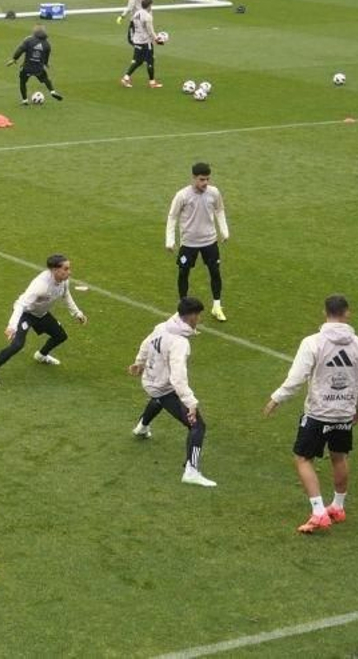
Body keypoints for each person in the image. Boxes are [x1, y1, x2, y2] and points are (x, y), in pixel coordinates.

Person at [262, 295, 358, 535]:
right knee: (339, 456)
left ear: (325, 312)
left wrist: (276, 398)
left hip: (318, 413)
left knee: (302, 458)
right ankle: (338, 506)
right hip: (344, 412)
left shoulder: (313, 342)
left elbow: (297, 377)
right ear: (347, 313)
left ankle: (319, 512)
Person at [127, 297, 216, 487]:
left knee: (158, 399)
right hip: (162, 386)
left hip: (151, 381)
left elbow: (146, 343)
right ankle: (191, 471)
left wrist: (139, 363)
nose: (199, 319)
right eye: (198, 315)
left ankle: (142, 427)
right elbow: (178, 377)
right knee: (197, 426)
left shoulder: (162, 326)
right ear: (191, 316)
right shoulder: (180, 343)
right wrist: (190, 402)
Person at [0, 254, 88, 388]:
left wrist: (77, 313)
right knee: (17, 345)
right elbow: (20, 304)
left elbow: (66, 295)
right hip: (26, 314)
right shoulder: (40, 285)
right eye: (66, 269)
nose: (69, 272)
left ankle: (41, 355)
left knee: (60, 336)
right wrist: (12, 326)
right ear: (55, 270)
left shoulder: (64, 280)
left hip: (41, 314)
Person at [167, 162, 230, 322]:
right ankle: (182, 310)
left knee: (215, 272)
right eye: (202, 179)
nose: (205, 183)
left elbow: (220, 209)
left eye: (207, 179)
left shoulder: (214, 193)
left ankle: (217, 306)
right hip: (189, 243)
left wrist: (224, 229)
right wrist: (170, 239)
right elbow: (172, 216)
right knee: (183, 273)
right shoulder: (182, 195)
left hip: (210, 241)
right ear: (194, 178)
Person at [5, 26, 63, 105]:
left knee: (23, 82)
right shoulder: (47, 44)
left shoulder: (28, 40)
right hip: (38, 69)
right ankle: (52, 91)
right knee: (46, 79)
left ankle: (25, 101)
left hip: (27, 68)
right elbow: (46, 57)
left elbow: (20, 50)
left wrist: (14, 59)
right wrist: (46, 63)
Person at [121, 0, 162, 88]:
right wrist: (156, 39)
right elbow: (150, 31)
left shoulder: (136, 14)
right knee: (150, 61)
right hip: (145, 42)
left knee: (138, 61)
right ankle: (152, 82)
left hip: (137, 40)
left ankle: (126, 78)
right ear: (149, 6)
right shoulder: (148, 16)